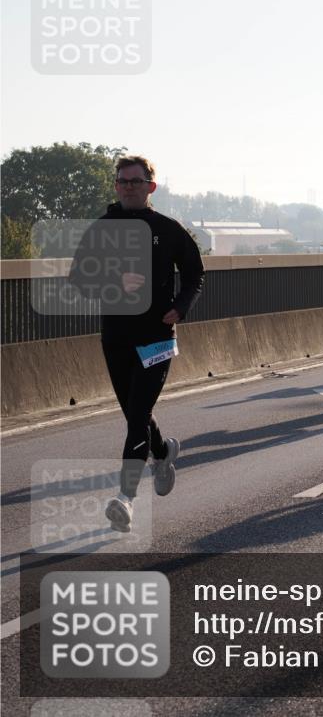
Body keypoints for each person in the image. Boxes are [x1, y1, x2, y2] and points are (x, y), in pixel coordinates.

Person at [69, 155, 205, 533]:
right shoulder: (102, 228)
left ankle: (124, 499)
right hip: (115, 336)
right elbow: (79, 279)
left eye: (135, 180)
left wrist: (181, 307)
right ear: (116, 186)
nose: (128, 186)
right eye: (122, 181)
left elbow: (195, 274)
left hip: (157, 337)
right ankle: (163, 453)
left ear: (151, 186)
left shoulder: (168, 228)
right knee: (135, 413)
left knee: (139, 410)